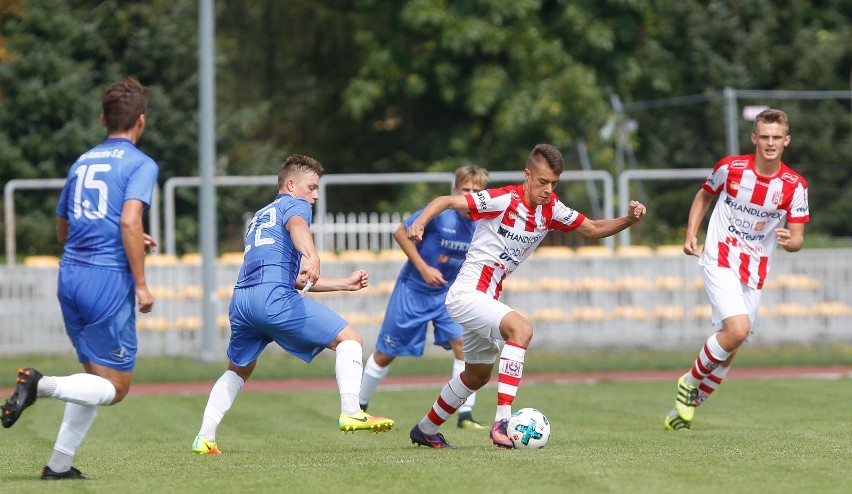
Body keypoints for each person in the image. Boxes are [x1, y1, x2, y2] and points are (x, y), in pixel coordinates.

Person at [407, 143, 647, 448]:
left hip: (486, 299)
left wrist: (629, 220)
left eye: (553, 184)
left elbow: (594, 227)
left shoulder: (552, 209)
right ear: (527, 175)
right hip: (467, 294)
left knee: (477, 375)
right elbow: (445, 200)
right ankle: (503, 423)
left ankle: (425, 430)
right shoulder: (504, 198)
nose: (547, 189)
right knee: (521, 329)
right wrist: (419, 222)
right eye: (542, 181)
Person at [1, 77, 159, 480]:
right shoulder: (141, 164)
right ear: (140, 121)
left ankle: (58, 466)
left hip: (69, 275)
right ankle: (40, 385)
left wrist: (124, 236)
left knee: (93, 379)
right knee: (116, 388)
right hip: (107, 280)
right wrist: (141, 283)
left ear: (103, 119)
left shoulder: (82, 161)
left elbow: (63, 230)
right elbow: (128, 218)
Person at [191, 155, 394, 455]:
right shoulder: (294, 205)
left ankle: (204, 437)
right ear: (290, 185)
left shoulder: (260, 216)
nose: (315, 195)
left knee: (239, 369)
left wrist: (343, 284)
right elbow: (298, 226)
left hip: (243, 300)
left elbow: (297, 280)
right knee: (351, 339)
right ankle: (352, 410)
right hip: (272, 297)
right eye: (311, 187)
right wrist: (312, 254)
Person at [664, 108, 809, 431]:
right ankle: (689, 382)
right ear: (754, 138)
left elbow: (798, 236)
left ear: (786, 140)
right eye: (765, 137)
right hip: (720, 257)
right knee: (738, 330)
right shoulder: (730, 169)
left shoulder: (794, 186)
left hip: (755, 270)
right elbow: (704, 196)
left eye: (776, 138)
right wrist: (691, 232)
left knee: (730, 346)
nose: (770, 143)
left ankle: (683, 409)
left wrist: (791, 241)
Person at [359, 165, 490, 430]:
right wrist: (423, 267)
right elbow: (400, 232)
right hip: (414, 290)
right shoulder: (441, 216)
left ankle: (465, 415)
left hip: (448, 295)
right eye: (466, 189)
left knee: (463, 347)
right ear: (455, 191)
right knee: (386, 353)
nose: (470, 194)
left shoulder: (483, 224)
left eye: (477, 191)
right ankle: (358, 407)